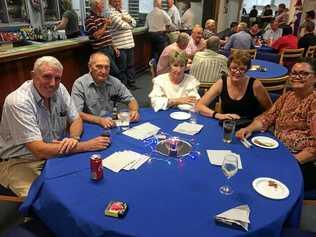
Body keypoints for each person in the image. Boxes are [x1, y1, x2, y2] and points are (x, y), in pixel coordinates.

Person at [0, 56, 110, 197]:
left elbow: (76, 119)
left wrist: (74, 139)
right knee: (49, 198)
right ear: (33, 76)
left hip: (55, 151)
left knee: (85, 182)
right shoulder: (18, 102)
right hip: (21, 161)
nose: (52, 83)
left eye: (57, 78)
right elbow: (39, 151)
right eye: (47, 77)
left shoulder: (60, 88)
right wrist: (84, 146)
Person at [236, 59, 316, 190]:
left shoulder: (313, 102)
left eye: (303, 73)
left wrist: (292, 162)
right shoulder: (288, 96)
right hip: (277, 151)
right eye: (294, 73)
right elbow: (267, 117)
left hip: (301, 163)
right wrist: (248, 128)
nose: (297, 77)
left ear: (314, 78)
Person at [195, 50, 272, 122]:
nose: (237, 72)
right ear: (228, 68)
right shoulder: (221, 83)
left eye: (242, 69)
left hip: (250, 126)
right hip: (227, 124)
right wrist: (218, 115)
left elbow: (271, 109)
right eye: (234, 68)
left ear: (247, 70)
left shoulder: (255, 85)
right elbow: (199, 106)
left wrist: (258, 120)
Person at [71, 52, 140, 128]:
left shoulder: (114, 82)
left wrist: (134, 110)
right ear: (90, 67)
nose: (103, 71)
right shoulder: (80, 84)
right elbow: (76, 113)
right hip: (90, 124)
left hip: (110, 122)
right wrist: (99, 120)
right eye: (99, 67)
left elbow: (131, 99)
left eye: (106, 67)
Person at [85, 0, 128, 87]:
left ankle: (116, 93)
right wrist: (105, 25)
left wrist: (114, 47)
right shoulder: (89, 19)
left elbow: (107, 35)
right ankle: (120, 93)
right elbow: (97, 35)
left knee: (117, 71)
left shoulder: (101, 17)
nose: (103, 6)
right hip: (101, 50)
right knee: (115, 72)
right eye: (102, 5)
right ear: (96, 6)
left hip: (110, 48)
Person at [109, 0, 138, 90]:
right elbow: (121, 25)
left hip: (129, 44)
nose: (118, 3)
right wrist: (130, 24)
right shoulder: (110, 13)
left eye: (119, 1)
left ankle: (131, 83)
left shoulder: (124, 11)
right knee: (122, 68)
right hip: (120, 45)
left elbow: (134, 23)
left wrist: (128, 20)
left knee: (130, 65)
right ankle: (122, 87)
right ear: (111, 2)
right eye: (115, 1)